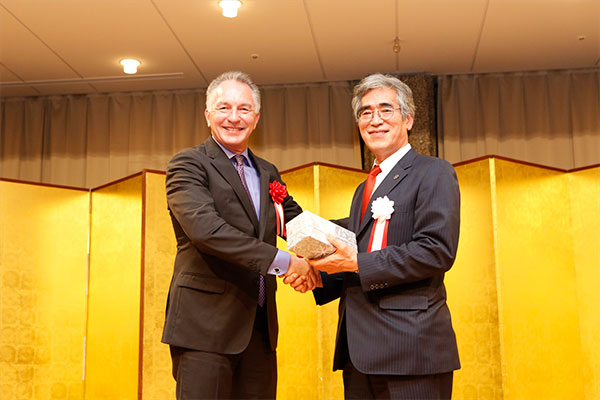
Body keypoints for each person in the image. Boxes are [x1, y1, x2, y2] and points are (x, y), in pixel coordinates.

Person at [298, 73, 461, 399]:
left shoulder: (434, 172)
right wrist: (317, 272)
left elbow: (436, 250)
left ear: (408, 118)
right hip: (359, 351)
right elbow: (357, 249)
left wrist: (355, 263)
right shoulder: (364, 188)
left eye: (386, 110)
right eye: (365, 112)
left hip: (411, 348)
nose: (375, 120)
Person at [161, 71, 318, 399]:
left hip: (259, 331)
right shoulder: (188, 164)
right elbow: (208, 232)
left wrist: (353, 247)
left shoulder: (267, 171)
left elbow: (295, 224)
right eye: (224, 108)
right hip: (204, 330)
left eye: (244, 109)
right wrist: (288, 263)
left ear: (257, 118)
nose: (234, 117)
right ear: (208, 115)